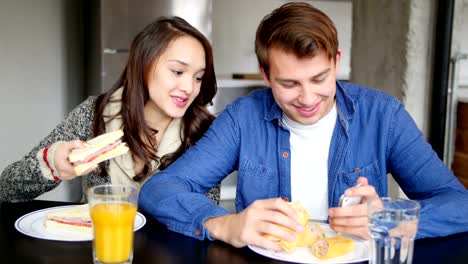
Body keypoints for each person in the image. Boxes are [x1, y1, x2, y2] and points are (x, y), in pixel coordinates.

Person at [139, 2, 468, 251]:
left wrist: (392, 219)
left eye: (320, 78)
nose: (308, 98)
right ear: (266, 76)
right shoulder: (243, 118)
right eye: (289, 83)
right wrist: (223, 224)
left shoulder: (383, 115)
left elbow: (459, 203)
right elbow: (160, 190)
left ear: (336, 62)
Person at [0, 16, 219, 203]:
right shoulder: (94, 114)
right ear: (144, 65)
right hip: (97, 250)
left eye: (198, 77)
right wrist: (51, 165)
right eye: (178, 72)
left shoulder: (208, 135)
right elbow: (7, 190)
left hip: (172, 253)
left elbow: (207, 216)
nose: (189, 88)